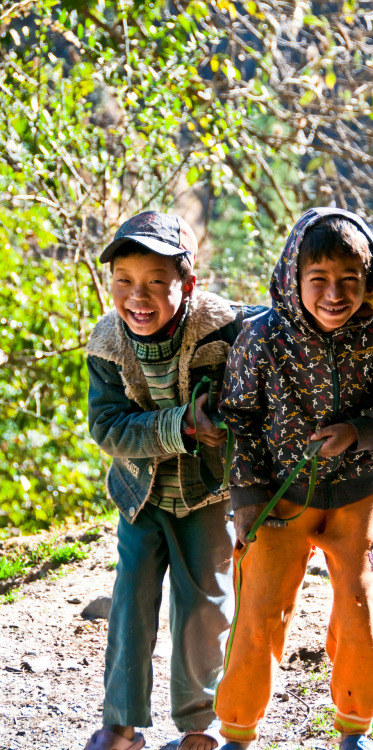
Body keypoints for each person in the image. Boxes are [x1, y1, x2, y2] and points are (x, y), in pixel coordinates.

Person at [214, 207, 373, 750]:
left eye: (349, 281)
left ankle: (355, 726)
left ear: (369, 282)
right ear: (294, 278)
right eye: (319, 280)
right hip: (279, 497)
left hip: (357, 494)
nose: (334, 294)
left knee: (359, 600)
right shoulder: (263, 338)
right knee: (262, 610)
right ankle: (239, 730)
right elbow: (237, 417)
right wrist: (246, 497)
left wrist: (361, 432)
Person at [84, 211, 264, 750]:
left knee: (204, 605)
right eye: (124, 281)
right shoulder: (106, 344)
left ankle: (200, 725)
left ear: (187, 283)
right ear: (110, 282)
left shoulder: (225, 328)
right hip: (141, 496)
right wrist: (181, 424)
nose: (138, 297)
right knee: (131, 599)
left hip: (206, 494)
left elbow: (274, 345)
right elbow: (107, 426)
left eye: (157, 282)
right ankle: (121, 723)